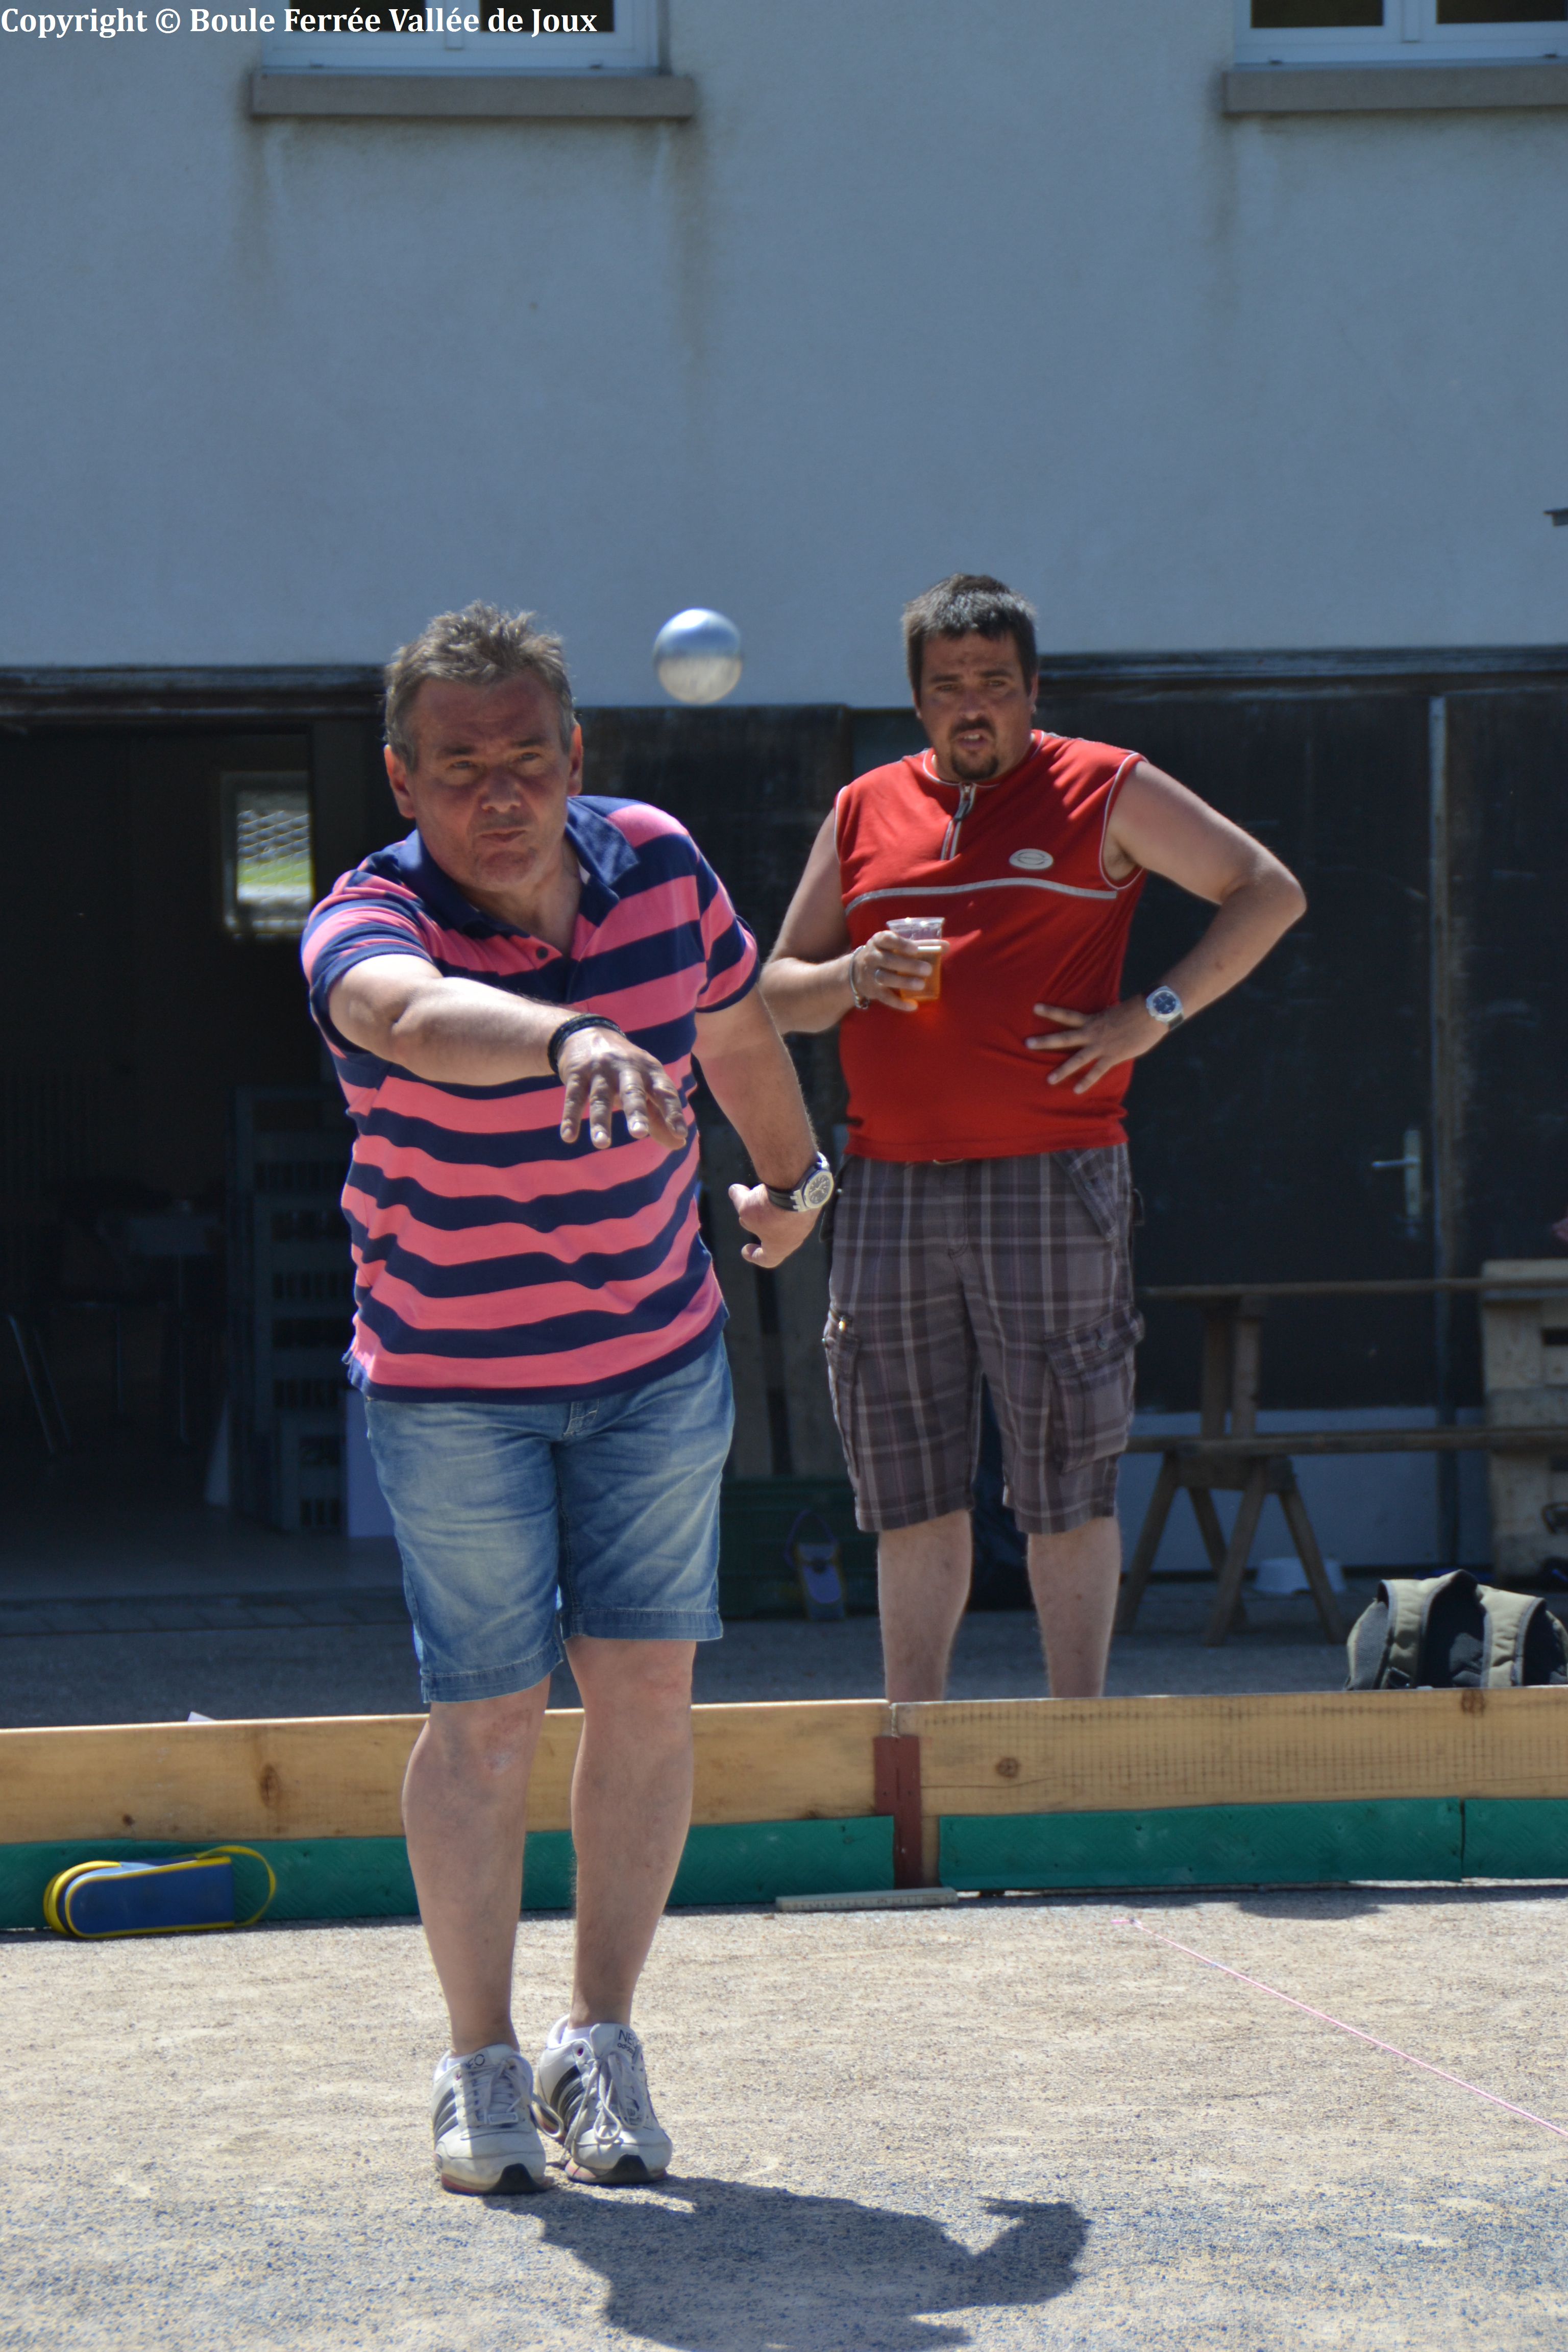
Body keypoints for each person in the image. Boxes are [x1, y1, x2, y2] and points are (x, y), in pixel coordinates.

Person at [301, 604, 834, 2196]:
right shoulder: (363, 920)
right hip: (453, 1382)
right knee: (485, 1720)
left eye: (528, 756)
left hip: (656, 1362)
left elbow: (733, 1021)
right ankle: (476, 2061)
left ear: (576, 753)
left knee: (648, 1696)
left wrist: (797, 1179)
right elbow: (411, 1020)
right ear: (403, 779)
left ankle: (596, 2041)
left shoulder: (660, 863)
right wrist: (573, 1035)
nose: (500, 791)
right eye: (459, 765)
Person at [762, 574, 1305, 1704]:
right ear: (917, 698)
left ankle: (1075, 1743)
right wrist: (855, 975)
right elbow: (775, 991)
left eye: (995, 684)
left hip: (1052, 1173)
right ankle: (912, 1743)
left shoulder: (1104, 787)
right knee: (909, 1493)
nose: (974, 706)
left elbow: (1267, 890)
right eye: (949, 686)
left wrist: (1151, 1015)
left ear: (1033, 689)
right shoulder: (864, 807)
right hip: (890, 1181)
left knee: (1065, 1477)